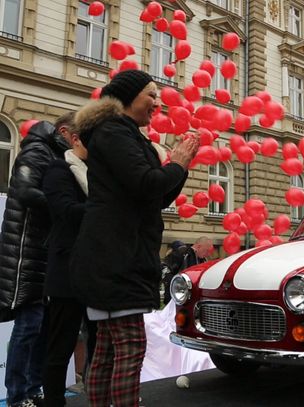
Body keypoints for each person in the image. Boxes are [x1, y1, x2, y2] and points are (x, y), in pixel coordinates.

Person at [70, 69, 199, 406]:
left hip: (114, 254)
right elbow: (146, 184)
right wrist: (179, 164)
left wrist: (179, 168)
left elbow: (154, 198)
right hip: (117, 256)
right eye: (151, 94)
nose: (157, 102)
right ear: (129, 97)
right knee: (128, 348)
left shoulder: (121, 133)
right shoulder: (114, 132)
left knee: (109, 351)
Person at [0, 118, 70, 407]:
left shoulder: (52, 154)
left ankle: (32, 387)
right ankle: (17, 395)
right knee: (29, 326)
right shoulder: (36, 151)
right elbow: (27, 192)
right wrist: (62, 204)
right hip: (24, 250)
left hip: (40, 251)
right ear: (64, 132)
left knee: (39, 326)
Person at [41, 112, 96, 406]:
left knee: (99, 343)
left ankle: (98, 395)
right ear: (74, 137)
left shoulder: (98, 171)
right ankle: (53, 401)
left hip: (96, 272)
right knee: (60, 346)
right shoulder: (58, 170)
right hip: (66, 273)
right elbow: (66, 210)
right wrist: (107, 209)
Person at [161, 237, 214, 304]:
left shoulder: (203, 260)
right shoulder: (183, 253)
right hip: (177, 297)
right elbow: (165, 268)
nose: (208, 254)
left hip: (192, 298)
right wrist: (177, 284)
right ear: (199, 246)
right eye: (206, 251)